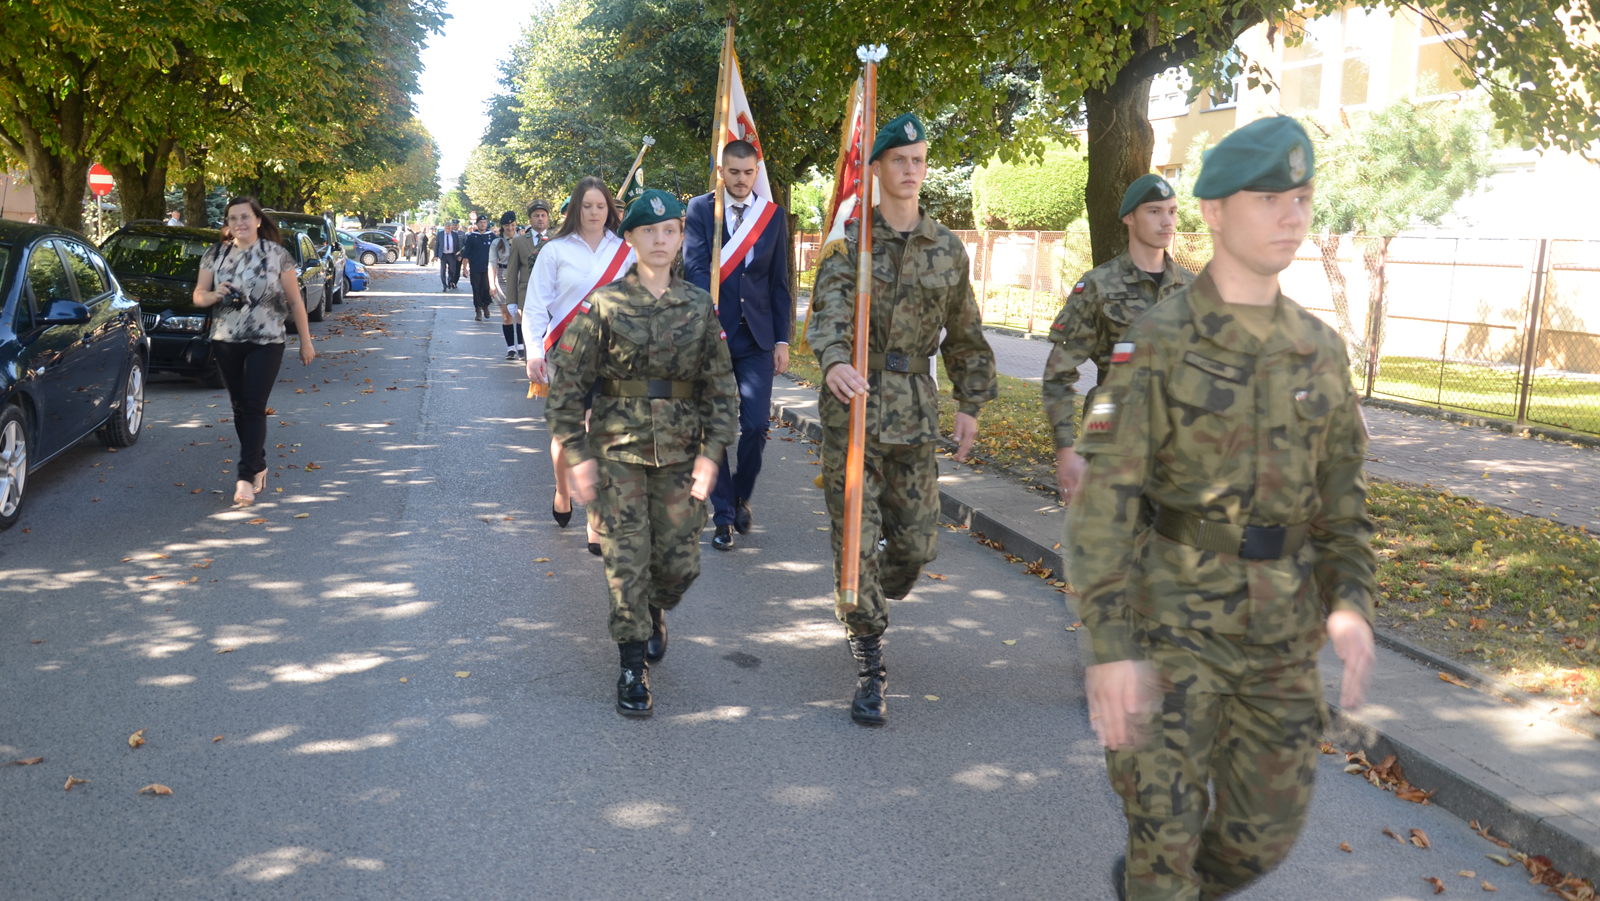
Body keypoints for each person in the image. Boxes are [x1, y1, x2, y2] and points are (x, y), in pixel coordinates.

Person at [1066, 116, 1377, 901]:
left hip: (1281, 632)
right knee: (1165, 830)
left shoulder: (1319, 348)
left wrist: (1350, 602)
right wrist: (1109, 648)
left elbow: (1343, 494)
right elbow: (1102, 507)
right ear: (1212, 210)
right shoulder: (1156, 342)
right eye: (1269, 196)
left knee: (1260, 835)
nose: (1292, 215)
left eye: (1302, 197)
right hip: (1171, 621)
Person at [808, 113, 997, 727]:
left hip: (915, 413)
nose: (911, 170)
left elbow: (966, 334)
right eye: (900, 160)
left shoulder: (947, 248)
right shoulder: (849, 243)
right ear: (878, 169)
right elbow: (829, 313)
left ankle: (867, 593)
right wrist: (835, 361)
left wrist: (970, 405)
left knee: (915, 547)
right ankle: (870, 663)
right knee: (856, 543)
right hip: (855, 413)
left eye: (919, 160)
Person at [547, 189, 737, 717]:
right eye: (649, 231)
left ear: (680, 238)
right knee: (625, 560)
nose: (660, 240)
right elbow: (566, 394)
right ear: (629, 238)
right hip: (617, 453)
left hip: (681, 452)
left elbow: (721, 389)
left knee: (678, 563)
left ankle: (657, 608)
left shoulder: (699, 306)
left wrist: (712, 454)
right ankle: (632, 665)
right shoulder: (603, 305)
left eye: (670, 230)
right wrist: (579, 457)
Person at [1043, 174, 1195, 507]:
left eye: (1172, 211)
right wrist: (1066, 449)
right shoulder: (1099, 286)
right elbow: (1058, 372)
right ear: (1129, 217)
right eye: (1154, 211)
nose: (1167, 221)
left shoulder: (1194, 290)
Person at [684, 139, 793, 551]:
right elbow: (694, 266)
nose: (741, 180)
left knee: (756, 426)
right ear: (721, 170)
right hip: (712, 334)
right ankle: (724, 516)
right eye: (734, 172)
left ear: (756, 172)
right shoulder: (700, 210)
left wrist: (782, 339)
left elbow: (779, 283)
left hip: (758, 337)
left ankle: (741, 494)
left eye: (748, 173)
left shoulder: (772, 216)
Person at [526, 177, 637, 555]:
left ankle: (596, 518)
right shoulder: (555, 251)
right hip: (565, 351)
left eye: (601, 206)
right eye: (587, 206)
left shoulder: (626, 252)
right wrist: (532, 352)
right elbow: (538, 305)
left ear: (610, 210)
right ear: (576, 208)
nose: (594, 213)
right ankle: (562, 489)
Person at [191, 196, 317, 506]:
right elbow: (197, 296)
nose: (239, 223)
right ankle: (258, 463)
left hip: (268, 340)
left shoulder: (278, 255)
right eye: (233, 218)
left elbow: (295, 302)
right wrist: (213, 295)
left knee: (253, 404)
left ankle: (245, 477)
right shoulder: (215, 255)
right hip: (226, 340)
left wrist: (306, 340)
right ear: (228, 224)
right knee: (239, 407)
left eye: (245, 217)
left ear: (258, 220)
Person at [504, 200, 553, 361]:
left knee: (551, 335)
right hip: (527, 297)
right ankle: (531, 371)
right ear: (530, 219)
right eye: (536, 215)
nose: (540, 219)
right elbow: (512, 273)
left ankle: (548, 374)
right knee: (530, 338)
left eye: (543, 215)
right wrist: (511, 301)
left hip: (552, 295)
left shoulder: (557, 240)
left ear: (548, 218)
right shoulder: (519, 241)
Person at [487, 211, 523, 359]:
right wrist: (492, 284)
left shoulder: (522, 240)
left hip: (520, 277)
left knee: (520, 313)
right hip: (502, 278)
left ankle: (521, 347)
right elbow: (492, 264)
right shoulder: (496, 243)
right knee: (507, 315)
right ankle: (511, 348)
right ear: (503, 227)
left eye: (512, 225)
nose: (510, 228)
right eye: (507, 225)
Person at [463, 214, 496, 320]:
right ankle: (478, 310)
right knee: (476, 289)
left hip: (488, 269)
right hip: (475, 268)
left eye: (485, 222)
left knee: (487, 289)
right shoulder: (472, 237)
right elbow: (466, 254)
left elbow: (498, 252)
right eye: (481, 222)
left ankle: (485, 306)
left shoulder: (492, 236)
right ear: (477, 224)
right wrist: (464, 268)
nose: (483, 224)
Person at [436, 220, 462, 291]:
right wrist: (436, 255)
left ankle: (450, 281)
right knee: (443, 270)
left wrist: (459, 255)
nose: (448, 230)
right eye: (446, 228)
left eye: (449, 228)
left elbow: (458, 246)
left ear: (451, 228)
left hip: (451, 255)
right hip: (443, 255)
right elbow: (437, 245)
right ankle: (444, 285)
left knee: (452, 270)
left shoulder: (454, 235)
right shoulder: (440, 234)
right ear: (444, 228)